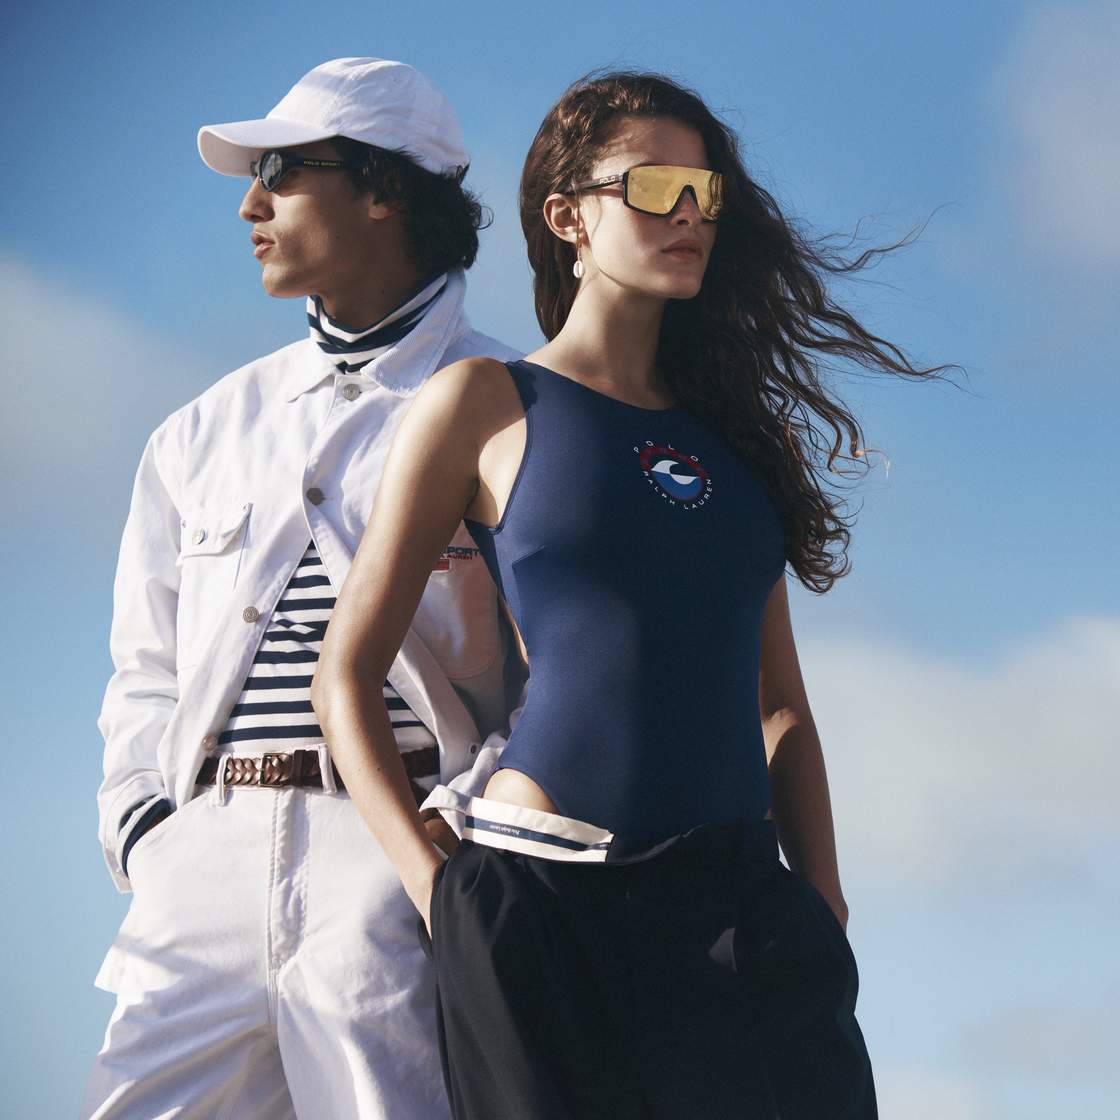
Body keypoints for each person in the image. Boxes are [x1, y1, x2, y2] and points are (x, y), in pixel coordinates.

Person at [313, 71, 948, 1119]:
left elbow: (779, 704)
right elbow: (346, 671)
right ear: (568, 216)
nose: (689, 212)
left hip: (742, 918)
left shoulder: (744, 441)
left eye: (705, 192)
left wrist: (822, 902)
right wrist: (435, 888)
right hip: (542, 905)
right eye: (654, 187)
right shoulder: (485, 402)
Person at [83, 57, 525, 1119]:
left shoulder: (521, 409)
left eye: (279, 170)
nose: (250, 204)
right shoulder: (197, 432)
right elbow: (143, 669)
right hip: (197, 864)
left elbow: (563, 667)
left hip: (399, 854)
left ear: (384, 188)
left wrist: (451, 836)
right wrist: (148, 831)